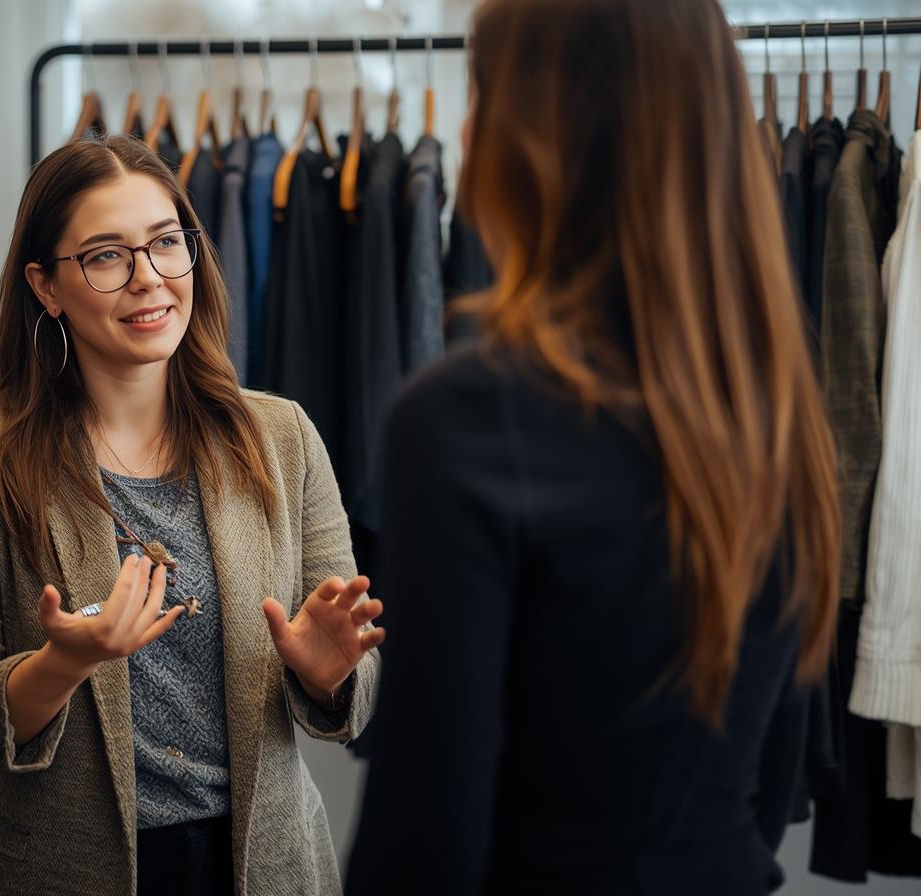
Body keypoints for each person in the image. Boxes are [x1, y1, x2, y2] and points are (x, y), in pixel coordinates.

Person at [345, 0, 840, 893]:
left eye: (484, 92)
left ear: (533, 141)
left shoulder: (466, 418)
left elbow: (423, 842)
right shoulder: (772, 403)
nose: (465, 125)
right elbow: (771, 771)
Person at [0, 134, 384, 896]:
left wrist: (329, 674)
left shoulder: (283, 437)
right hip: (58, 871)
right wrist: (63, 663)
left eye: (167, 243)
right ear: (47, 286)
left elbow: (359, 687)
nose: (150, 280)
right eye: (107, 256)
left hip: (265, 867)